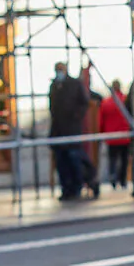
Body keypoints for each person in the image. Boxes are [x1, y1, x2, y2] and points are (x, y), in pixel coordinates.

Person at [45, 60, 89, 201]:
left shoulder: (74, 84)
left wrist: (76, 116)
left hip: (71, 130)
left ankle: (77, 186)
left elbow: (84, 103)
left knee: (74, 159)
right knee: (61, 162)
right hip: (58, 130)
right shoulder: (54, 86)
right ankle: (66, 188)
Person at [97, 80, 134, 188]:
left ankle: (113, 177)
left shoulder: (106, 102)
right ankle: (123, 180)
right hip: (125, 135)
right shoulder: (125, 100)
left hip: (111, 136)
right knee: (124, 159)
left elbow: (101, 120)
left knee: (112, 159)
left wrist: (102, 133)